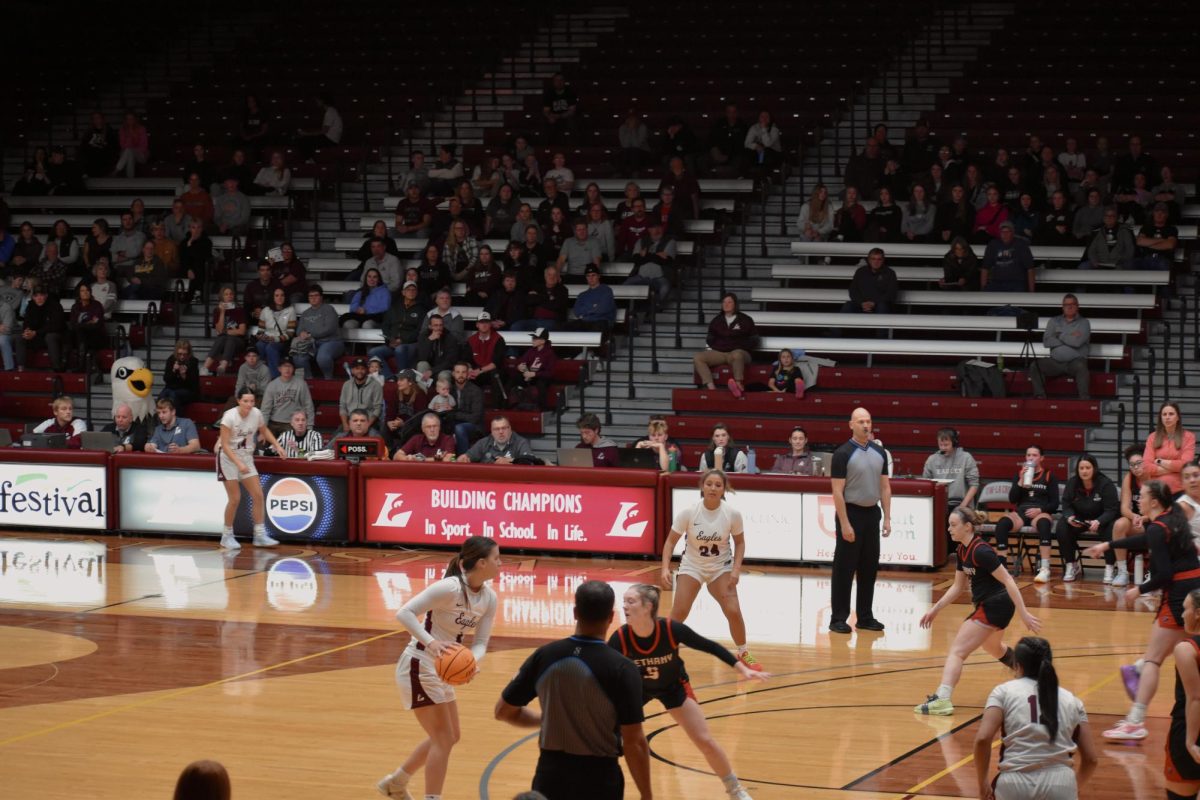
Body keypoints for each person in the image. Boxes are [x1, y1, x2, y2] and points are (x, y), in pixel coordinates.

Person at [495, 580, 652, 800]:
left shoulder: (545, 656)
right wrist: (647, 794)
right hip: (601, 779)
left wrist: (545, 720)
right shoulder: (623, 668)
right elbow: (634, 741)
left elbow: (503, 711)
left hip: (550, 776)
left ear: (575, 612)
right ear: (610, 617)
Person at [611, 584, 765, 800]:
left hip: (674, 688)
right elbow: (606, 670)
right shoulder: (620, 637)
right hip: (638, 691)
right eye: (624, 601)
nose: (624, 606)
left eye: (630, 601)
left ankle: (735, 789)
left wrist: (743, 669)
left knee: (705, 741)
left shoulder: (670, 629)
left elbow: (710, 646)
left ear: (647, 607)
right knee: (606, 732)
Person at [377, 536, 500, 800]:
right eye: (496, 559)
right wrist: (431, 643)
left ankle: (396, 783)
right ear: (481, 563)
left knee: (450, 736)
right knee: (443, 738)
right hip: (419, 664)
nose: (500, 564)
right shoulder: (449, 588)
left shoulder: (489, 598)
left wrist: (470, 662)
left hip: (442, 670)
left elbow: (480, 643)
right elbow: (405, 613)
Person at [1083, 480, 1200, 742]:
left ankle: (1136, 720)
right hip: (1196, 589)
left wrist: (1140, 589)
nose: (1138, 500)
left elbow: (1164, 575)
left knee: (1153, 659)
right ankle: (1137, 672)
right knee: (1180, 648)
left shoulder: (1159, 528)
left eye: (1143, 496)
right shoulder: (1173, 516)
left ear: (1155, 502)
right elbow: (1150, 538)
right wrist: (1107, 546)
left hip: (1180, 594)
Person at [914, 507, 1042, 717]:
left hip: (996, 604)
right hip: (992, 604)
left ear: (968, 527)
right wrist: (935, 609)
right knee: (994, 648)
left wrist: (1024, 613)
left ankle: (943, 699)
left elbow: (1009, 580)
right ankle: (1032, 677)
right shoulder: (962, 550)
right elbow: (957, 587)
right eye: (948, 525)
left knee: (957, 651)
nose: (949, 529)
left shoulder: (981, 551)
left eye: (953, 525)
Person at [660, 469, 762, 669]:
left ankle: (743, 652)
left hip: (720, 567)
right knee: (679, 612)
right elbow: (670, 542)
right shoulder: (689, 512)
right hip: (692, 566)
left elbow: (740, 543)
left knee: (733, 611)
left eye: (718, 485)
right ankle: (663, 651)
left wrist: (735, 570)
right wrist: (665, 568)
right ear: (702, 486)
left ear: (724, 489)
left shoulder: (732, 514)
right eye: (709, 484)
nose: (713, 488)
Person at [973, 637, 1097, 800]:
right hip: (1061, 784)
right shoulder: (1073, 701)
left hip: (1015, 783)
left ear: (1017, 665)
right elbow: (1091, 759)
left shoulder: (1003, 692)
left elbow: (983, 739)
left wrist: (982, 783)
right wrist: (1074, 787)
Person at [828, 407, 892, 634]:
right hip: (850, 513)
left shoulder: (879, 452)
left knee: (869, 567)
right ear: (851, 425)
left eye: (869, 421)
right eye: (861, 421)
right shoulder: (842, 453)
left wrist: (887, 518)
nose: (866, 425)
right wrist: (844, 523)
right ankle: (838, 618)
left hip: (871, 514)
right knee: (844, 568)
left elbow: (885, 487)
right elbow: (837, 492)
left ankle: (865, 616)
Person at [216, 388, 285, 549]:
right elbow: (224, 445)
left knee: (258, 495)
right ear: (238, 400)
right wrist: (238, 463)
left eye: (252, 401)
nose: (249, 404)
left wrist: (277, 445)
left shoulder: (256, 414)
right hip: (228, 459)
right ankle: (226, 536)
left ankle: (259, 535)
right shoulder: (229, 417)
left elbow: (264, 430)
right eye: (245, 401)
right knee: (235, 499)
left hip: (246, 457)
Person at [992, 444, 1059, 581]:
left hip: (1040, 512)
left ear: (1041, 458)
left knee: (1044, 523)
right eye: (1028, 455)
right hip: (1021, 512)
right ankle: (1002, 567)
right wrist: (1021, 481)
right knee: (1003, 523)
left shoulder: (1049, 475)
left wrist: (1040, 510)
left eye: (1034, 455)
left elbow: (1055, 503)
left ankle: (1045, 568)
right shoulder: (1019, 474)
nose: (1031, 458)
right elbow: (1012, 499)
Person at [1053, 453, 1120, 584]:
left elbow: (1111, 509)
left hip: (1102, 520)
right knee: (1062, 526)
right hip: (1080, 519)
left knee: (1112, 526)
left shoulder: (1105, 484)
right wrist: (1069, 517)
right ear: (1077, 470)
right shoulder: (1072, 483)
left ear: (1094, 468)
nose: (1084, 471)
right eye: (1081, 468)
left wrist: (1099, 521)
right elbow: (1066, 505)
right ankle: (1071, 565)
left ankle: (1110, 567)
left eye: (1087, 468)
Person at [693, 292, 756, 398]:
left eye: (729, 302)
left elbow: (754, 338)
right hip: (721, 353)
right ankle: (711, 387)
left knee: (737, 354)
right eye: (724, 302)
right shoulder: (717, 320)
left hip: (740, 353)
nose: (726, 304)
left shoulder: (745, 319)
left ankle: (738, 384)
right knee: (698, 357)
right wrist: (719, 347)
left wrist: (741, 346)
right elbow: (710, 338)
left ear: (735, 304)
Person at [1112, 444, 1147, 587]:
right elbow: (1124, 508)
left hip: (1154, 520)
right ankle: (1122, 572)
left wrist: (1145, 518)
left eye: (1139, 463)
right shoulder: (1129, 478)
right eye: (1132, 465)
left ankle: (1154, 572)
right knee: (1120, 524)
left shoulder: (1155, 476)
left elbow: (1162, 509)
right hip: (1137, 522)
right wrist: (1134, 517)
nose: (1135, 467)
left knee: (1157, 529)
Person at [291, 285, 343, 379]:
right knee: (297, 357)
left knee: (322, 357)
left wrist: (309, 334)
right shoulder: (305, 313)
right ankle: (309, 380)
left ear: (321, 297)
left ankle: (328, 379)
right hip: (311, 343)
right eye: (311, 296)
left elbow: (329, 329)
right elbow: (299, 330)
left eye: (316, 295)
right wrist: (301, 334)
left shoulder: (329, 309)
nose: (313, 298)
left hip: (331, 341)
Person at [922, 428, 981, 509]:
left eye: (946, 445)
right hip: (939, 504)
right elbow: (925, 483)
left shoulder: (966, 457)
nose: (943, 448)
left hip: (962, 504)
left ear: (954, 443)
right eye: (940, 445)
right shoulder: (932, 459)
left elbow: (974, 484)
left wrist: (963, 506)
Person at [1143, 402, 1195, 494]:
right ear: (1161, 418)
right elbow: (1146, 467)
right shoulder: (1152, 437)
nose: (1167, 417)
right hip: (1157, 491)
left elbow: (1185, 465)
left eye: (1171, 414)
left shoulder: (1189, 437)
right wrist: (1174, 468)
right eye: (1164, 414)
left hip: (1180, 491)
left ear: (1178, 417)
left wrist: (1160, 462)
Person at [15, 284, 65, 372]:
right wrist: (27, 331)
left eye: (41, 295)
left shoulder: (55, 305)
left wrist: (36, 333)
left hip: (55, 334)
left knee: (50, 337)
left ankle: (56, 368)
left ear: (46, 295)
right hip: (36, 335)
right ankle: (20, 367)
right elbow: (27, 322)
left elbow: (56, 326)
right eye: (36, 296)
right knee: (20, 337)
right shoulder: (30, 306)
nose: (39, 298)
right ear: (33, 297)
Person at [260, 358, 315, 435]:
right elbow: (265, 410)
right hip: (273, 422)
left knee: (286, 442)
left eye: (290, 366)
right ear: (279, 369)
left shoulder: (301, 384)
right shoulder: (272, 385)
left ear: (293, 369)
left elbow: (308, 406)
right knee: (260, 442)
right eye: (284, 366)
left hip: (292, 423)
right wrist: (263, 430)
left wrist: (309, 427)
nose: (287, 369)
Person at [842, 247, 898, 317]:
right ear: (869, 260)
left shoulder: (890, 273)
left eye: (879, 259)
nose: (876, 262)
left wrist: (874, 303)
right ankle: (835, 328)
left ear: (883, 260)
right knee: (848, 305)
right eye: (873, 259)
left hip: (879, 306)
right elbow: (853, 290)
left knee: (882, 306)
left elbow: (891, 294)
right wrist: (862, 303)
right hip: (862, 305)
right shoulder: (860, 271)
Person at [204, 286, 247, 375]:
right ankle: (204, 368)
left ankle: (223, 366)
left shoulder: (239, 310)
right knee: (222, 338)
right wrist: (222, 312)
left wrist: (225, 331)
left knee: (229, 338)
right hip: (223, 340)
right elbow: (219, 330)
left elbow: (242, 331)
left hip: (239, 341)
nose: (229, 296)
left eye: (231, 294)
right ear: (222, 297)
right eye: (226, 294)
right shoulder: (217, 311)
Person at [981, 221, 1035, 292]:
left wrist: (1032, 291)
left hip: (1016, 283)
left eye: (1007, 232)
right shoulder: (993, 245)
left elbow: (1030, 269)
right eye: (1002, 232)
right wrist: (982, 290)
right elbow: (985, 268)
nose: (1004, 234)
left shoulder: (1021, 245)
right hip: (997, 283)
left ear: (1013, 233)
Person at [255, 287, 296, 378]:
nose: (279, 297)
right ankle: (262, 374)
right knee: (259, 345)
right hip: (267, 338)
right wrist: (261, 336)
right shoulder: (266, 310)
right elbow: (260, 330)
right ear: (272, 297)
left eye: (282, 295)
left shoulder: (290, 310)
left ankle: (275, 378)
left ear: (285, 297)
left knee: (270, 347)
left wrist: (275, 339)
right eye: (276, 295)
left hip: (282, 340)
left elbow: (290, 333)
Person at [458, 416, 533, 464]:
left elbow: (530, 462)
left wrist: (511, 461)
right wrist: (461, 459)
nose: (501, 432)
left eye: (504, 428)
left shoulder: (521, 442)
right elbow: (467, 456)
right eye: (497, 429)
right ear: (492, 431)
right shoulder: (483, 443)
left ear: (510, 429)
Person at [338, 357, 383, 432]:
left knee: (377, 439)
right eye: (357, 368)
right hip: (351, 421)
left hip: (369, 421)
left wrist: (367, 425)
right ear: (352, 370)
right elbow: (342, 406)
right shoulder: (346, 385)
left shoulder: (376, 385)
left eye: (362, 368)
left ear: (366, 370)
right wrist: (345, 424)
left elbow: (378, 409)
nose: (360, 371)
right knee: (334, 441)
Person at [294, 95, 343, 162]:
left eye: (318, 100)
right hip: (330, 138)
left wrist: (306, 134)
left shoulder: (330, 112)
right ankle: (310, 159)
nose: (317, 102)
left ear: (323, 101)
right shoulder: (331, 110)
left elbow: (324, 131)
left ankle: (309, 161)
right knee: (306, 139)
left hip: (331, 140)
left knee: (303, 141)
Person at [160, 340, 200, 410]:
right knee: (163, 395)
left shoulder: (193, 361)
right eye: (180, 354)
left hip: (187, 390)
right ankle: (161, 418)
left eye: (184, 354)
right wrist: (173, 371)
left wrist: (184, 375)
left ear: (189, 353)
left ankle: (175, 418)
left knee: (173, 395)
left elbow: (194, 384)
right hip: (171, 388)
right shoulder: (171, 360)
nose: (182, 357)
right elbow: (166, 379)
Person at [113, 112, 148, 177]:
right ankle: (130, 180)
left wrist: (134, 137)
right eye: (128, 119)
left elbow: (144, 146)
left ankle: (116, 170)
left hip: (140, 155)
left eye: (132, 119)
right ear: (125, 120)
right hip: (127, 153)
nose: (130, 121)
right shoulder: (122, 130)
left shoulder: (141, 129)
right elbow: (122, 145)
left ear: (135, 119)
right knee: (130, 154)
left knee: (129, 151)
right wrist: (129, 137)